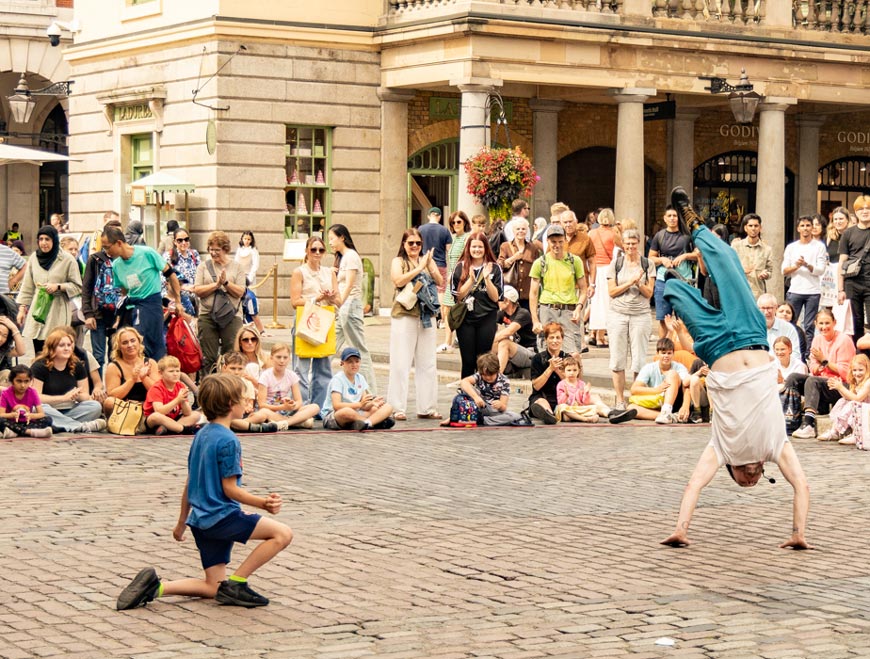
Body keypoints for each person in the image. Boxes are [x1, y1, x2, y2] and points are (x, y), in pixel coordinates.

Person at [660, 186, 811, 550]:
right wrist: (798, 534)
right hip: (750, 332)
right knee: (728, 262)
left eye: (743, 482)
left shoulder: (721, 450)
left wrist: (681, 529)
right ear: (760, 470)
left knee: (669, 290)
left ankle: (680, 273)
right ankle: (692, 220)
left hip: (713, 346)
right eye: (754, 481)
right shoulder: (776, 445)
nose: (749, 480)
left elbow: (694, 483)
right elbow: (802, 486)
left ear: (732, 471)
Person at [115, 374, 294, 610]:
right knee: (282, 534)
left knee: (212, 586)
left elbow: (191, 482)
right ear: (231, 405)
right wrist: (262, 503)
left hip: (200, 521)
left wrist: (181, 522)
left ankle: (156, 588)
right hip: (222, 518)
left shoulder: (202, 434)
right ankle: (238, 583)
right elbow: (229, 489)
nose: (247, 403)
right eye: (243, 399)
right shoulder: (229, 441)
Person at [101, 224, 183, 361]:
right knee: (120, 341)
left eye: (107, 247)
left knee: (145, 342)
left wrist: (178, 301)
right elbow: (123, 291)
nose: (106, 251)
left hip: (150, 304)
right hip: (131, 304)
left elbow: (171, 275)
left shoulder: (147, 253)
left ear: (119, 243)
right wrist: (119, 318)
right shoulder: (116, 265)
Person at [386, 228, 443, 421]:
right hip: (405, 314)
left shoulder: (427, 260)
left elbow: (440, 280)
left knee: (428, 362)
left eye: (418, 243)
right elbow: (397, 280)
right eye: (411, 243)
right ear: (404, 244)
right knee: (401, 362)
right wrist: (419, 268)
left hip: (426, 314)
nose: (415, 247)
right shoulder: (399, 261)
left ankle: (427, 407)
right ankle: (397, 407)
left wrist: (430, 265)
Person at [606, 229, 656, 410]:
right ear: (623, 245)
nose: (630, 247)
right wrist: (629, 283)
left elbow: (649, 293)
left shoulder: (648, 264)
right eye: (627, 244)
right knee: (618, 358)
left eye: (633, 244)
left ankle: (636, 399)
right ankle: (619, 400)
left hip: (641, 314)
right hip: (618, 314)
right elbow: (611, 292)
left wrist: (639, 283)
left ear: (638, 244)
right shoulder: (616, 264)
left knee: (639, 360)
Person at [787, 309, 856, 438]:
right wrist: (818, 367)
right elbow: (813, 366)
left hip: (841, 386)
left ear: (834, 323)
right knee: (793, 378)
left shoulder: (844, 340)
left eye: (827, 323)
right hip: (822, 381)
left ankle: (808, 424)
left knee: (813, 381)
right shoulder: (817, 339)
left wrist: (824, 361)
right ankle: (791, 417)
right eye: (821, 324)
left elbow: (846, 373)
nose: (824, 327)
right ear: (816, 324)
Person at [288, 235, 338, 409]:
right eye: (313, 249)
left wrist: (330, 297)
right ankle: (301, 405)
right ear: (307, 251)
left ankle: (320, 406)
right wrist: (316, 297)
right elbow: (295, 301)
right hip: (305, 318)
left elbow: (338, 300)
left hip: (324, 319)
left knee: (323, 366)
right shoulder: (299, 272)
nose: (317, 253)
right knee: (301, 366)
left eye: (321, 250)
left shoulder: (329, 272)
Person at [16, 225, 82, 355]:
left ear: (54, 240)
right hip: (38, 309)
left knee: (56, 347)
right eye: (40, 239)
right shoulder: (34, 258)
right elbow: (27, 286)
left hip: (57, 309)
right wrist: (22, 309)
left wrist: (58, 286)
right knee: (39, 351)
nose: (44, 243)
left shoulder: (67, 260)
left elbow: (77, 286)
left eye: (47, 239)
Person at [328, 224, 377, 393]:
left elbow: (349, 284)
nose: (330, 243)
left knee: (360, 349)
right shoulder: (343, 258)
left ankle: (370, 393)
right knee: (330, 347)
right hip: (344, 307)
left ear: (342, 237)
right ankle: (322, 386)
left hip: (350, 306)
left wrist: (340, 301)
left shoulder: (351, 256)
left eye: (332, 238)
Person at [30, 328, 106, 433]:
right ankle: (78, 426)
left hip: (71, 409)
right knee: (37, 409)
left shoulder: (77, 365)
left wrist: (77, 395)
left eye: (69, 345)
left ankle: (59, 423)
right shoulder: (39, 366)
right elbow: (35, 398)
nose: (67, 348)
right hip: (49, 408)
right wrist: (63, 398)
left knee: (95, 406)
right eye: (61, 346)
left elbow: (86, 396)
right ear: (52, 348)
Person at [528, 224, 587, 359]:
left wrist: (579, 307)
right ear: (548, 242)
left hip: (568, 310)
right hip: (547, 309)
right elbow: (533, 293)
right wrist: (535, 320)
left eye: (560, 241)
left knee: (573, 354)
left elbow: (583, 288)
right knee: (547, 354)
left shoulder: (574, 261)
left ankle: (575, 380)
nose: (557, 245)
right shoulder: (540, 262)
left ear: (565, 240)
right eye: (553, 242)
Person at [451, 232, 503, 379]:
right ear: (468, 248)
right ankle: (466, 392)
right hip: (466, 318)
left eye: (480, 246)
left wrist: (487, 279)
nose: (477, 250)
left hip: (487, 317)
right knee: (468, 360)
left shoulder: (494, 268)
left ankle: (484, 391)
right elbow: (457, 296)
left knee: (484, 359)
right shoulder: (460, 267)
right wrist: (471, 281)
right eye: (474, 246)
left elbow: (495, 297)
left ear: (486, 248)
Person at [194, 231, 247, 376]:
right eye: (211, 249)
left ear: (225, 249)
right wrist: (216, 285)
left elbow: (240, 292)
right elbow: (197, 289)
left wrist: (226, 283)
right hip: (207, 314)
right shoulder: (203, 266)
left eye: (217, 250)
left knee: (231, 355)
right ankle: (209, 390)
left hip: (232, 315)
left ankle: (228, 389)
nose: (213, 253)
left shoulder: (237, 267)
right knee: (208, 357)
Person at [649, 205, 697, 337]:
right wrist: (663, 260)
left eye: (674, 216)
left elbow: (698, 254)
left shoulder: (687, 235)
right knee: (664, 319)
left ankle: (682, 349)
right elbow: (650, 258)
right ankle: (662, 349)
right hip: (662, 279)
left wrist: (685, 256)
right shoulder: (659, 236)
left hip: (683, 279)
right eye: (669, 216)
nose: (672, 218)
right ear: (664, 218)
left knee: (683, 318)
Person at [82, 217, 124, 371]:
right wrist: (88, 314)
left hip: (118, 315)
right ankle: (98, 389)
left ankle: (114, 388)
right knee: (98, 356)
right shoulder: (95, 259)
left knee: (116, 356)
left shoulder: (125, 258)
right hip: (98, 313)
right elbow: (86, 288)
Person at [321, 347, 394, 431]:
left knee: (387, 407)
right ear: (342, 363)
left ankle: (365, 423)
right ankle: (373, 421)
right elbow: (337, 406)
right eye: (350, 362)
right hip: (334, 415)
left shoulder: (360, 378)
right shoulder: (338, 379)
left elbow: (364, 405)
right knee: (346, 412)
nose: (354, 364)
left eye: (357, 361)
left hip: (356, 412)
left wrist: (372, 403)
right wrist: (359, 405)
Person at [444, 352, 524, 427]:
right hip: (478, 405)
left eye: (491, 375)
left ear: (497, 371)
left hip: (493, 410)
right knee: (466, 390)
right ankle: (458, 415)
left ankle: (481, 420)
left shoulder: (504, 381)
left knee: (515, 417)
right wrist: (476, 397)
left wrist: (500, 405)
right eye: (485, 375)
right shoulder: (479, 376)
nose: (488, 378)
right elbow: (464, 382)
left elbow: (504, 406)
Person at [782, 215, 828, 345]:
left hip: (813, 291)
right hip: (795, 290)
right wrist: (796, 266)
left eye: (808, 225)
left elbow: (821, 269)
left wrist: (806, 265)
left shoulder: (819, 246)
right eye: (802, 225)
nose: (805, 228)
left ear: (812, 227)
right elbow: (784, 270)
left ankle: (807, 353)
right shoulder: (791, 247)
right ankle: (790, 348)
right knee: (790, 323)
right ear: (798, 228)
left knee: (809, 325)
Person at [220, 352, 290, 433]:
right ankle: (253, 427)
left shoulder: (247, 383)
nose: (236, 372)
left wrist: (248, 406)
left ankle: (243, 425)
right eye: (232, 368)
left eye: (240, 369)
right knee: (229, 419)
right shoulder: (221, 384)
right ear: (225, 367)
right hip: (227, 415)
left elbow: (250, 402)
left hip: (244, 416)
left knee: (261, 415)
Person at [627, 337, 691, 424]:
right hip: (657, 402)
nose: (666, 356)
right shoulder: (649, 368)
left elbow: (687, 386)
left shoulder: (679, 367)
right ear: (657, 353)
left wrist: (685, 406)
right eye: (663, 353)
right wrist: (656, 390)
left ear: (673, 354)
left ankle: (667, 411)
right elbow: (634, 389)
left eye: (669, 353)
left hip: (676, 402)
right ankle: (669, 416)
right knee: (631, 408)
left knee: (672, 374)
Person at [556, 356, 636, 424]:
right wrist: (565, 395)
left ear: (578, 371)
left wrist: (586, 393)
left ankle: (612, 416)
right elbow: (560, 402)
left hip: (579, 409)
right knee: (562, 409)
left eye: (574, 370)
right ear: (563, 372)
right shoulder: (561, 384)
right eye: (569, 370)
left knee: (595, 408)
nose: (572, 373)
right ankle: (585, 419)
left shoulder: (581, 384)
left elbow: (585, 402)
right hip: (569, 409)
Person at [257, 343, 319, 428]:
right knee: (263, 412)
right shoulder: (265, 376)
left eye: (285, 357)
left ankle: (286, 423)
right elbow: (261, 404)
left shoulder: (292, 375)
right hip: (270, 411)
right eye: (278, 357)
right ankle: (297, 422)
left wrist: (292, 405)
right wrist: (281, 407)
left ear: (289, 359)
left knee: (315, 407)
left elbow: (299, 401)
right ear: (271, 358)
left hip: (286, 412)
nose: (282, 361)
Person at [102, 327, 159, 416]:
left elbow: (158, 392)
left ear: (139, 342)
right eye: (125, 343)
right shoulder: (113, 367)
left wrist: (144, 378)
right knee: (109, 402)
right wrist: (132, 379)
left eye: (133, 341)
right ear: (119, 347)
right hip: (125, 408)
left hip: (147, 406)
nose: (130, 345)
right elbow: (112, 395)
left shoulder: (150, 363)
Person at [837, 196, 870, 348]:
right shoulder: (848, 233)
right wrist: (840, 289)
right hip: (852, 282)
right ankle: (858, 356)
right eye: (861, 209)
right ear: (855, 212)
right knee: (855, 323)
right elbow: (842, 263)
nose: (865, 211)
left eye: (868, 208)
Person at [587, 208, 621, 348]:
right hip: (607, 269)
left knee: (595, 303)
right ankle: (601, 336)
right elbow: (624, 246)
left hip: (593, 269)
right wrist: (621, 229)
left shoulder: (592, 233)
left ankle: (593, 333)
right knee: (606, 303)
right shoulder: (614, 233)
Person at [144, 355, 202, 435]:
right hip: (156, 420)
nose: (175, 374)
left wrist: (183, 401)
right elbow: (160, 411)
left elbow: (187, 413)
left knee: (196, 415)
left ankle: (169, 429)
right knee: (156, 416)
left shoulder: (180, 386)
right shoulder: (156, 388)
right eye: (171, 371)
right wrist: (177, 400)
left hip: (174, 418)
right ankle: (184, 429)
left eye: (177, 371)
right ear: (161, 373)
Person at [820, 354, 870, 445]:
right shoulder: (855, 381)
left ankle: (856, 434)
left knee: (853, 404)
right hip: (859, 407)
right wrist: (839, 388)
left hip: (867, 410)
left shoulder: (868, 382)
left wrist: (841, 388)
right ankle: (835, 431)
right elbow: (848, 397)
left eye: (861, 370)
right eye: (854, 370)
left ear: (867, 370)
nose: (857, 373)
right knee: (842, 401)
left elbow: (858, 398)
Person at [439, 211, 470, 352]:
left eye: (459, 221)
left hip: (459, 280)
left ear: (464, 222)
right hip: (451, 279)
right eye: (453, 222)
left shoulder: (466, 238)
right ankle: (448, 342)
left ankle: (452, 341)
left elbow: (467, 260)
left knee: (455, 311)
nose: (456, 224)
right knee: (446, 310)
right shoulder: (455, 238)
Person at [527, 322, 569, 424]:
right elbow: (536, 386)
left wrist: (558, 370)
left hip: (561, 397)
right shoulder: (538, 358)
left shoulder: (567, 358)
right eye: (551, 337)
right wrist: (550, 369)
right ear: (546, 340)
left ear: (562, 339)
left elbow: (572, 384)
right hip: (542, 396)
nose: (555, 341)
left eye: (558, 338)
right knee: (541, 402)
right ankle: (548, 414)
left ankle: (608, 412)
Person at [497, 217, 541, 312]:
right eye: (518, 229)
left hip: (527, 294)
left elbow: (538, 268)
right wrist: (514, 258)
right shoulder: (505, 246)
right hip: (510, 295)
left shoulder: (533, 248)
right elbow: (499, 265)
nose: (520, 231)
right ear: (513, 231)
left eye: (523, 229)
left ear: (527, 230)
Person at [492, 285, 536, 375]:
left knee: (504, 343)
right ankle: (485, 376)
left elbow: (508, 332)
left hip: (529, 353)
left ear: (507, 301)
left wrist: (489, 340)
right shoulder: (502, 313)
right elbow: (490, 328)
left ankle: (496, 378)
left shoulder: (523, 313)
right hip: (514, 352)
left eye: (500, 298)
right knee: (487, 346)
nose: (497, 301)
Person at [0, 364, 53, 438]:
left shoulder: (32, 392)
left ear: (31, 381)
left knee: (47, 419)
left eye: (26, 381)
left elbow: (41, 414)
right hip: (11, 422)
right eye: (19, 381)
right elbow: (1, 414)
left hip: (28, 422)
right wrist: (11, 415)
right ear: (12, 381)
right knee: (1, 421)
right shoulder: (6, 394)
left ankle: (15, 432)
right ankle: (30, 432)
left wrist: (32, 416)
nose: (23, 385)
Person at [731, 213, 772, 299]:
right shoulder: (736, 246)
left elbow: (769, 270)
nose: (753, 228)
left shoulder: (767, 249)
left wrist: (766, 274)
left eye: (756, 226)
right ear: (745, 228)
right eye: (750, 226)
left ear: (760, 228)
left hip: (758, 293)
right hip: (739, 292)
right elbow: (729, 267)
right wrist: (741, 270)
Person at [235, 230, 268, 337]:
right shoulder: (239, 250)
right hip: (239, 278)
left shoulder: (253, 251)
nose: (246, 241)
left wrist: (249, 278)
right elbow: (235, 263)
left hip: (249, 279)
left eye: (249, 239)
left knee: (250, 303)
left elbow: (255, 266)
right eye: (245, 239)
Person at [165, 227, 200, 318]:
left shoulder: (194, 254)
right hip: (178, 300)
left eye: (186, 239)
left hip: (194, 300)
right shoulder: (168, 256)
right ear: (175, 242)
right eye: (180, 240)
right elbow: (163, 280)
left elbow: (200, 273)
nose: (184, 243)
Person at [418, 206, 451, 299]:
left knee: (424, 288)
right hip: (440, 264)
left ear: (429, 216)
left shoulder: (420, 229)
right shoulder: (444, 230)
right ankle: (440, 313)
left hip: (425, 264)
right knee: (440, 290)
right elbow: (449, 250)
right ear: (439, 217)